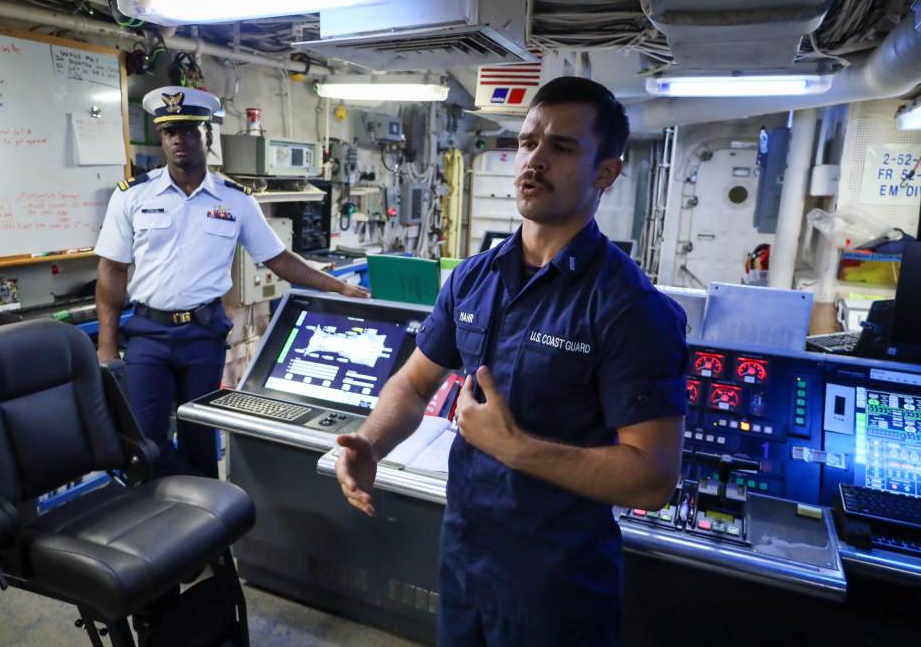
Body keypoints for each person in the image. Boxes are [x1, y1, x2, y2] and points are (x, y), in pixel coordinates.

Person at [335, 77, 688, 646]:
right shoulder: (473, 278)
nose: (534, 160)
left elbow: (652, 479)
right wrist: (372, 444)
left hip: (556, 591)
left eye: (562, 147)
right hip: (463, 565)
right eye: (527, 142)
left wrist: (515, 448)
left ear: (606, 172)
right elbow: (415, 383)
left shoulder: (630, 309)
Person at [95, 85, 367, 478]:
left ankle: (204, 510)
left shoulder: (236, 200)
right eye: (170, 131)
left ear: (208, 136)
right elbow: (112, 269)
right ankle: (165, 504)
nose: (179, 139)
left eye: (189, 130)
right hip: (148, 334)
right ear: (162, 138)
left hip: (203, 336)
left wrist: (338, 286)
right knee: (144, 444)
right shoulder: (132, 196)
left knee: (200, 439)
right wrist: (106, 345)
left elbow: (278, 259)